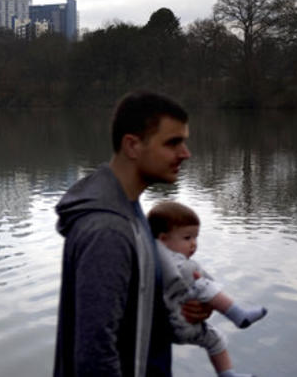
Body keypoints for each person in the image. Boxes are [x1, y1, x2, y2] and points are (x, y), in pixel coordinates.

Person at [53, 90, 210, 377]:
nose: (185, 153)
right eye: (173, 142)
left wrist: (176, 314)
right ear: (133, 145)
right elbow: (95, 355)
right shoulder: (108, 231)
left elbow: (130, 321)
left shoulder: (129, 209)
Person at [148, 201, 267, 377]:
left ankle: (227, 374)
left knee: (215, 339)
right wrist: (206, 285)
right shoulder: (171, 260)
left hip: (170, 329)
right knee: (204, 286)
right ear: (163, 239)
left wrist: (208, 302)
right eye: (187, 238)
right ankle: (238, 315)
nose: (194, 244)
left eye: (195, 237)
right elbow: (191, 275)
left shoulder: (152, 253)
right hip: (178, 322)